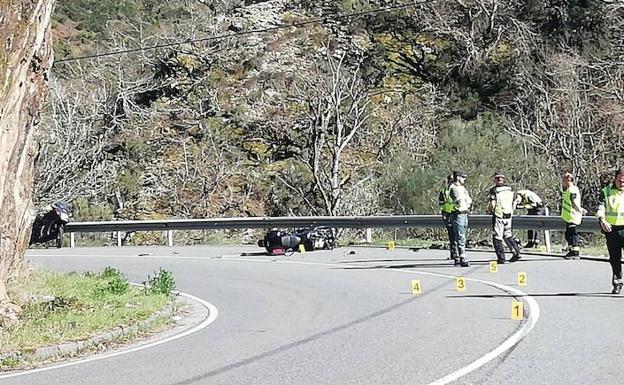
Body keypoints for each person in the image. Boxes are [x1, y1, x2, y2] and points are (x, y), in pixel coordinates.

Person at [596, 169, 624, 294]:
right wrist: (602, 220)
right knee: (615, 258)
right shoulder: (606, 191)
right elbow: (600, 208)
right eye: (620, 180)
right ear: (615, 179)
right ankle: (617, 282)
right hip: (612, 229)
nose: (622, 183)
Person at [487, 172, 521, 264]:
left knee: (497, 237)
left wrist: (489, 210)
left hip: (499, 215)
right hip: (508, 215)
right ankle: (516, 252)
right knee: (508, 235)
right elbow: (516, 200)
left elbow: (493, 204)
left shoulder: (494, 190)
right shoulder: (510, 189)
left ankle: (501, 258)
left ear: (495, 179)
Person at [561, 173, 587, 259]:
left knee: (572, 235)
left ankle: (575, 252)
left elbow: (573, 201)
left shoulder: (572, 189)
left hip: (572, 215)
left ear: (568, 179)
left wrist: (580, 210)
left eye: (563, 179)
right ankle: (571, 250)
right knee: (568, 234)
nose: (562, 181)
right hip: (569, 216)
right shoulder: (569, 189)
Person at [449, 170, 472, 267]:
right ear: (458, 177)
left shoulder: (462, 188)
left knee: (462, 236)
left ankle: (458, 256)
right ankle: (462, 257)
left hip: (464, 213)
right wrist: (465, 200)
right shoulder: (453, 188)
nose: (464, 179)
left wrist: (466, 200)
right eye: (463, 177)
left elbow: (469, 200)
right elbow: (459, 201)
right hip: (457, 214)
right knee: (460, 236)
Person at [439, 174, 457, 261]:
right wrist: (444, 214)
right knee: (452, 235)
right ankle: (453, 253)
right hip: (448, 214)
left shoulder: (459, 189)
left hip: (457, 214)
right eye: (451, 180)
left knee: (458, 235)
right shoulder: (444, 191)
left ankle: (458, 253)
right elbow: (441, 203)